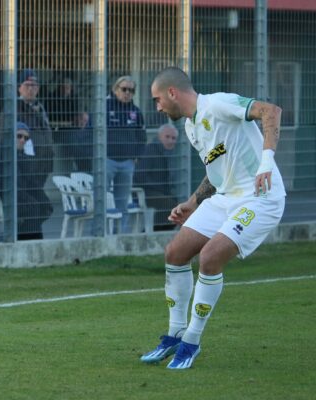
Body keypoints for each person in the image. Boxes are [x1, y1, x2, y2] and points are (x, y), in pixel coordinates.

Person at [140, 67, 285, 369]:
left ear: (172, 93)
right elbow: (216, 169)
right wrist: (193, 202)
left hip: (260, 196)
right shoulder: (192, 128)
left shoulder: (218, 104)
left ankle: (191, 340)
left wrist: (266, 161)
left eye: (157, 100)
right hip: (225, 198)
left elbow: (270, 110)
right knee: (175, 253)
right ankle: (175, 333)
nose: (157, 107)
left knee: (210, 257)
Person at [14, 69, 54, 239]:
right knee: (31, 206)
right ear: (19, 88)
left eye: (35, 85)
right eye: (27, 85)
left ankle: (31, 236)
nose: (31, 89)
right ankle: (26, 238)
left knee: (44, 206)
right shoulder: (14, 107)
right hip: (25, 168)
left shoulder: (39, 107)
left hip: (41, 166)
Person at [106, 75, 147, 233]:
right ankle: (98, 234)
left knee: (122, 201)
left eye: (131, 90)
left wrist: (137, 156)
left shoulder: (135, 111)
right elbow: (91, 132)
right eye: (124, 89)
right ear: (115, 89)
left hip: (127, 163)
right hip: (107, 160)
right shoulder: (104, 107)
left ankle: (119, 236)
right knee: (101, 198)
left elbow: (142, 137)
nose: (127, 93)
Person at [134, 123, 179, 231]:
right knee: (172, 207)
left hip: (160, 192)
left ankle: (158, 231)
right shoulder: (150, 151)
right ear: (159, 137)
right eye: (167, 137)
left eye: (173, 138)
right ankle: (154, 232)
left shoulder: (171, 154)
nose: (170, 141)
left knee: (177, 206)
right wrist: (159, 189)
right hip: (146, 192)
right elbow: (140, 176)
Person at [15, 122, 53, 240]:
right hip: (12, 193)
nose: (22, 140)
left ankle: (27, 237)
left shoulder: (23, 156)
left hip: (24, 192)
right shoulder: (4, 154)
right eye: (19, 136)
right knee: (33, 207)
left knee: (46, 206)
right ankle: (31, 241)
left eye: (26, 138)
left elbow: (31, 180)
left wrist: (41, 195)